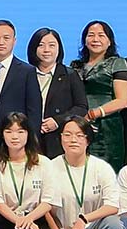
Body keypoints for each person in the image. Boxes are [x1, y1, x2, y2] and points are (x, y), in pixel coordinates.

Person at [45, 116, 127, 229]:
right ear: (61, 138)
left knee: (114, 222)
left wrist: (84, 219)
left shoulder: (101, 168)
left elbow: (113, 205)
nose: (73, 139)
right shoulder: (50, 168)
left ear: (88, 139)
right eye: (67, 134)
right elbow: (45, 210)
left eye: (79, 135)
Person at [73, 20, 127, 171]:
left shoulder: (117, 63)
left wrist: (94, 114)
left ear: (109, 41)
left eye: (101, 35)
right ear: (84, 40)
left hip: (107, 128)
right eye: (91, 35)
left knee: (106, 172)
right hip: (79, 126)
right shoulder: (75, 66)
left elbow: (123, 100)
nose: (95, 39)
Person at [0, 20, 43, 154]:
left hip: (14, 136)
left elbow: (34, 110)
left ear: (14, 41)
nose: (1, 42)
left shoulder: (27, 71)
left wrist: (32, 141)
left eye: (6, 38)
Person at [28, 27, 87, 156]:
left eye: (52, 45)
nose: (46, 50)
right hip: (30, 137)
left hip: (57, 137)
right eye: (41, 45)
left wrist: (57, 121)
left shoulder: (70, 74)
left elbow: (81, 107)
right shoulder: (25, 73)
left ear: (59, 48)